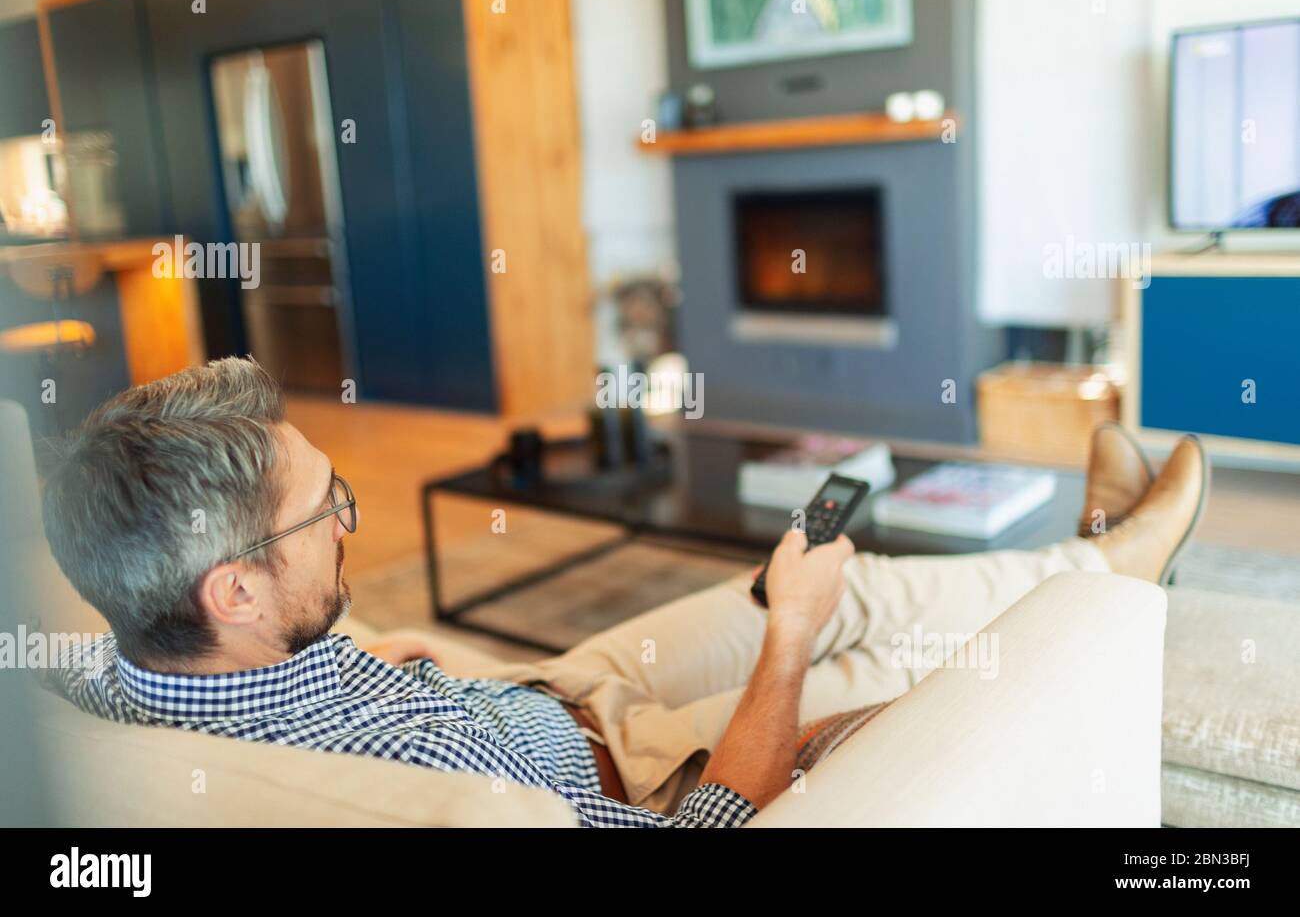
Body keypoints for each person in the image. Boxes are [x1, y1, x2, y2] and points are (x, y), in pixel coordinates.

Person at [39, 359, 1207, 827]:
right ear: (234, 588)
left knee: (828, 574)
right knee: (838, 633)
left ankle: (1094, 556)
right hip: (654, 781)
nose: (353, 516)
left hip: (551, 694)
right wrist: (783, 643)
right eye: (324, 507)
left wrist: (393, 655)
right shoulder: (431, 795)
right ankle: (1107, 571)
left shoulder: (115, 671)